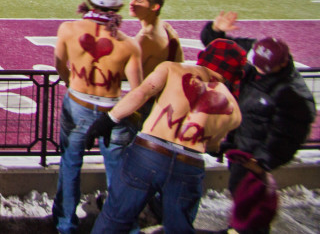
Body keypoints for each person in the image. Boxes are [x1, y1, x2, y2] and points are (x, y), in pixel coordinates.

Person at [86, 39, 246, 233]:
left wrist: (109, 120)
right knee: (178, 229)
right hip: (189, 165)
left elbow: (142, 93)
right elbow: (212, 146)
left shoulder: (173, 69)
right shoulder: (233, 109)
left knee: (114, 219)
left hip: (147, 154)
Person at [201, 12, 316, 234]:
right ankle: (237, 228)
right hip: (240, 145)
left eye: (265, 69)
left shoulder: (291, 94)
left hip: (253, 156)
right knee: (239, 195)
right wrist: (215, 29)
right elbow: (220, 48)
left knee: (251, 203)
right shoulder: (257, 53)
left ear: (282, 64)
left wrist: (262, 162)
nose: (257, 71)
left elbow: (290, 135)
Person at [52, 0, 143, 234]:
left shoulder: (69, 29)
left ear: (90, 2)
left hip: (78, 102)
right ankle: (122, 225)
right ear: (119, 7)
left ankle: (65, 223)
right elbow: (138, 88)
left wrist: (72, 81)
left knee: (70, 163)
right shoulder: (128, 44)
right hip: (113, 110)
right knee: (118, 171)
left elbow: (60, 65)